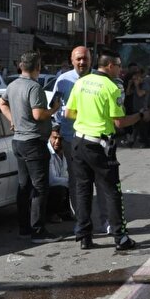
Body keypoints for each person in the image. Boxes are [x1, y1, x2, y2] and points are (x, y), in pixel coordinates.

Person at [64, 51, 150, 251]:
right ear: (110, 66)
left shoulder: (81, 82)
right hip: (99, 145)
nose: (122, 70)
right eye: (119, 66)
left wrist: (88, 116)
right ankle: (120, 237)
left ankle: (84, 236)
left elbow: (69, 113)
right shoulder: (111, 88)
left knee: (83, 190)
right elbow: (119, 122)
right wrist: (140, 115)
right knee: (112, 191)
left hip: (79, 141)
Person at [0, 52, 62, 243]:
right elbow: (38, 114)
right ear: (38, 67)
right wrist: (54, 109)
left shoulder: (13, 85)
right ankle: (38, 231)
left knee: (24, 186)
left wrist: (14, 121)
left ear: (20, 66)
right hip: (33, 142)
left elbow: (1, 102)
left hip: (18, 141)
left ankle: (24, 228)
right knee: (40, 187)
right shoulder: (35, 87)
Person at [50, 46, 91, 222]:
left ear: (91, 59)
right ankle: (81, 218)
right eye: (78, 59)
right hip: (70, 137)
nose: (82, 62)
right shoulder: (63, 80)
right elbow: (55, 107)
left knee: (95, 179)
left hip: (93, 137)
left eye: (85, 59)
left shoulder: (97, 79)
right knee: (76, 179)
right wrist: (55, 129)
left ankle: (103, 220)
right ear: (72, 60)